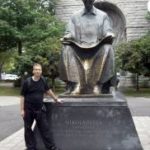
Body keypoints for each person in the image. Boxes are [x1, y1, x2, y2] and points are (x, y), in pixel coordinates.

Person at [59, 0, 115, 95]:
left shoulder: (103, 16)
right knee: (67, 49)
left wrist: (109, 34)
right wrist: (67, 37)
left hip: (97, 49)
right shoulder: (74, 16)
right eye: (85, 0)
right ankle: (75, 84)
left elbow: (107, 30)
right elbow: (69, 32)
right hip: (78, 49)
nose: (87, 2)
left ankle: (98, 84)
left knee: (107, 48)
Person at [20, 63, 61, 150]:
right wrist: (22, 110)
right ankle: (31, 147)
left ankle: (51, 147)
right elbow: (22, 96)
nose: (38, 71)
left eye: (39, 70)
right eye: (36, 69)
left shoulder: (43, 80)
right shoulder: (27, 82)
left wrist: (56, 99)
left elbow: (48, 91)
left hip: (39, 110)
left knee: (45, 129)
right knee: (27, 129)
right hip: (28, 110)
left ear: (41, 71)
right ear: (33, 71)